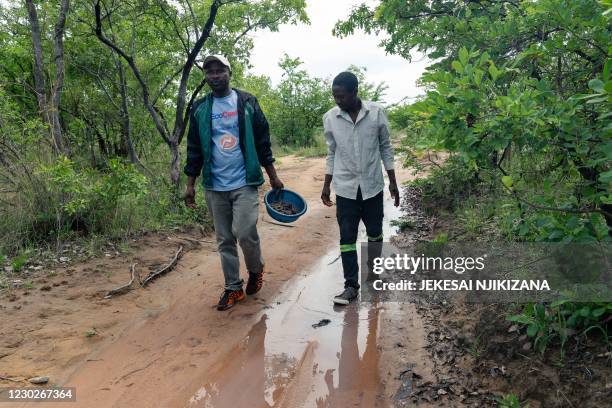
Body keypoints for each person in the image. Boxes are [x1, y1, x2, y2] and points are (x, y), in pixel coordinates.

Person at [183, 54, 284, 311]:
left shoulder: (247, 101)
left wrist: (272, 175)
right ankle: (233, 287)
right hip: (215, 185)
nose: (215, 76)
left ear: (229, 72)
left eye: (220, 71)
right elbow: (194, 148)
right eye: (210, 71)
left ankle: (256, 270)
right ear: (205, 76)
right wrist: (190, 184)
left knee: (245, 232)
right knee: (224, 239)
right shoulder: (200, 108)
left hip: (244, 181)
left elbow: (262, 141)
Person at [321, 71, 399, 305]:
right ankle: (350, 286)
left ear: (355, 93)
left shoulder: (376, 113)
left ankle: (373, 276)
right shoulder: (331, 118)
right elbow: (331, 152)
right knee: (347, 238)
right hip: (345, 189)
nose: (337, 100)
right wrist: (326, 184)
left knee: (375, 233)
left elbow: (386, 147)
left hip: (372, 187)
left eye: (341, 96)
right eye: (334, 96)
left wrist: (393, 181)